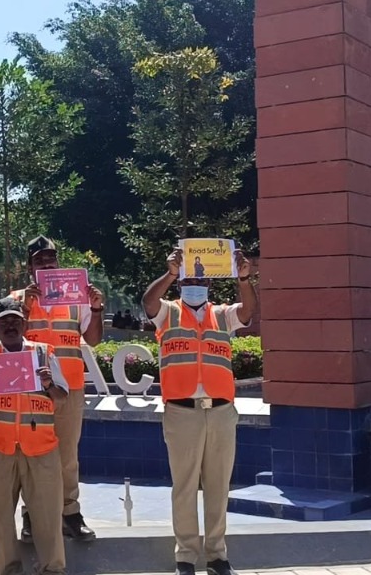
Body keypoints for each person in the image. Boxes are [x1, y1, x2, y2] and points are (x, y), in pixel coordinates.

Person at [141, 246, 256, 575]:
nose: (196, 283)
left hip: (220, 411)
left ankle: (217, 555)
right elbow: (148, 302)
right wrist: (170, 273)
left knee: (219, 487)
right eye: (189, 278)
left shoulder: (221, 314)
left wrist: (244, 277)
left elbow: (248, 311)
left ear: (210, 285)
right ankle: (186, 556)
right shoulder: (168, 312)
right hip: (182, 412)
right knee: (185, 486)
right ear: (180, 283)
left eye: (200, 278)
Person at [10, 235, 104, 542]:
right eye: (39, 261)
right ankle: (30, 515)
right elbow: (12, 337)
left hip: (70, 386)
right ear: (29, 267)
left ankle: (70, 514)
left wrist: (97, 307)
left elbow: (93, 339)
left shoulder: (77, 296)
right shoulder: (16, 299)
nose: (46, 264)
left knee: (67, 455)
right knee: (31, 453)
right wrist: (25, 304)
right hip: (31, 389)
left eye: (51, 259)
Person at [0, 297, 69, 575]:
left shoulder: (44, 354)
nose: (10, 326)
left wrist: (48, 383)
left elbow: (62, 399)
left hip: (41, 449)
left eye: (15, 320)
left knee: (48, 518)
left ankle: (53, 570)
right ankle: (8, 571)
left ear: (24, 324)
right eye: (4, 322)